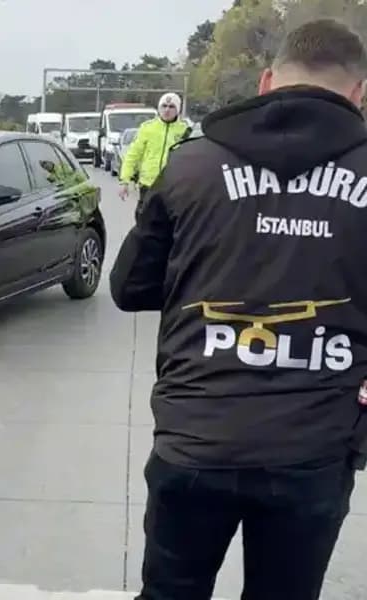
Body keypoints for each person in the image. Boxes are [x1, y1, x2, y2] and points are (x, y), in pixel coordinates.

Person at [109, 18, 367, 600]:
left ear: (267, 79)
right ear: (359, 93)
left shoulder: (190, 166)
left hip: (196, 438)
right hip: (312, 450)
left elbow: (130, 287)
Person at [118, 92, 189, 216]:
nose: (167, 110)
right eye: (164, 106)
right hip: (148, 185)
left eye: (171, 107)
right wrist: (125, 181)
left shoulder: (185, 130)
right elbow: (132, 156)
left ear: (178, 110)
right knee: (144, 222)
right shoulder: (147, 128)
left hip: (174, 187)